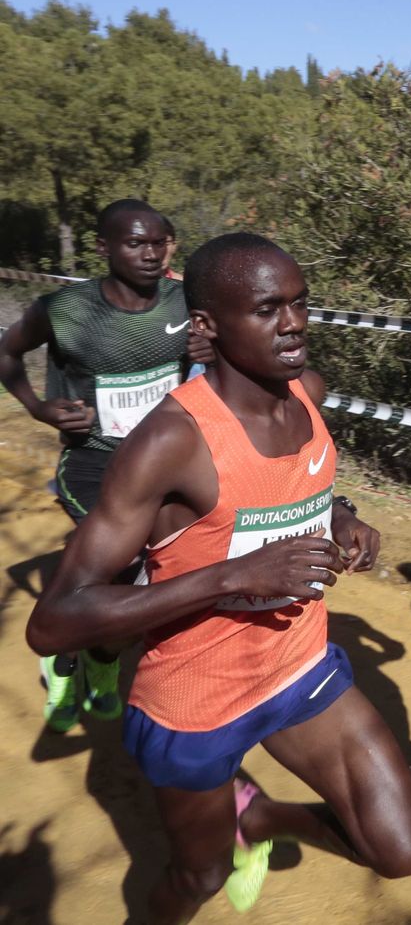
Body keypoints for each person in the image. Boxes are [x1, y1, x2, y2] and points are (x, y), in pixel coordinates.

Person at [25, 233, 411, 923]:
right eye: (269, 309)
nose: (295, 323)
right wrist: (230, 575)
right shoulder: (172, 442)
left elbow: (289, 491)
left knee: (400, 849)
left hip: (298, 667)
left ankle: (263, 818)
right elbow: (53, 621)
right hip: (195, 701)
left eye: (301, 304)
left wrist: (340, 514)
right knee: (199, 878)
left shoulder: (307, 394)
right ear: (207, 326)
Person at [0, 198, 210, 731]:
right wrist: (40, 408)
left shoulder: (185, 301)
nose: (148, 253)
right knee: (114, 559)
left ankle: (103, 656)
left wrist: (210, 350)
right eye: (134, 243)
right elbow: (7, 352)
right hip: (93, 461)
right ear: (103, 247)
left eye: (158, 242)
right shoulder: (65, 309)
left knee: (160, 565)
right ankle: (64, 655)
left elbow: (225, 357)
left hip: (164, 460)